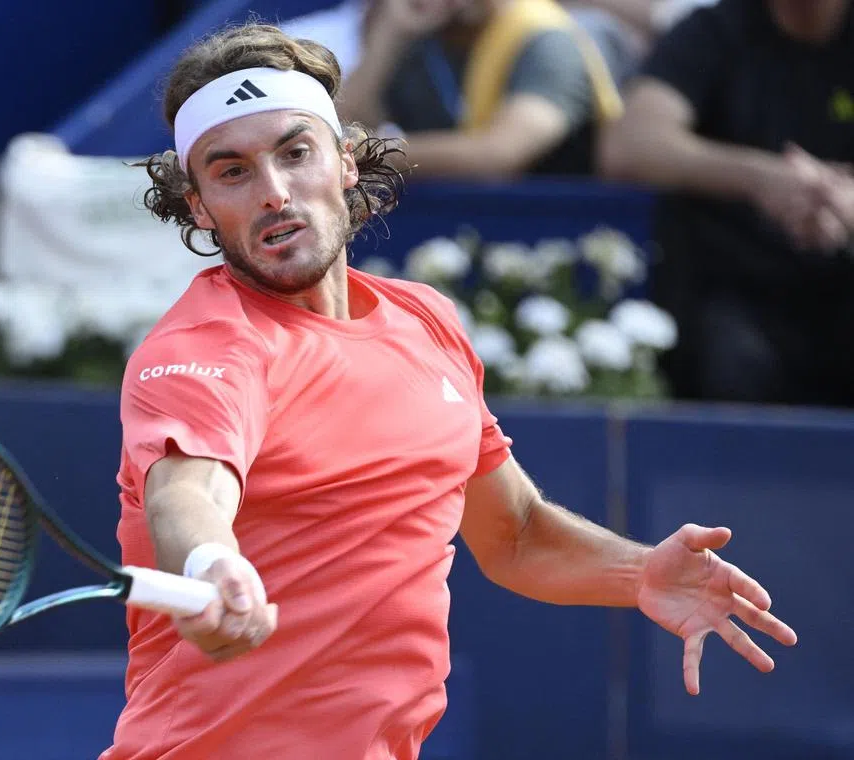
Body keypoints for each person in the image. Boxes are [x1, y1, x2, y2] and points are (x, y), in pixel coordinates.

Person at [100, 23, 797, 760]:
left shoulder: (423, 320)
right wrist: (212, 563)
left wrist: (638, 571)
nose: (274, 192)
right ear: (200, 205)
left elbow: (517, 534)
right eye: (231, 171)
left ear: (344, 161)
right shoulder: (204, 347)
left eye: (294, 152)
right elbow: (188, 494)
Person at [599, 0, 854, 406]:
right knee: (728, 358)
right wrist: (763, 180)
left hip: (842, 290)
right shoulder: (714, 31)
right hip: (739, 301)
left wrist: (842, 202)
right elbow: (631, 144)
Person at [337, 0, 624, 178]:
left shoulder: (546, 40)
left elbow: (497, 154)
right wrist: (390, 34)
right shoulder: (421, 38)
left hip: (549, 237)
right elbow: (345, 123)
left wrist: (356, 155)